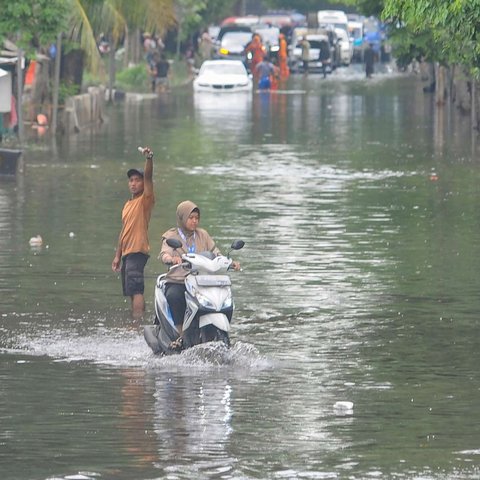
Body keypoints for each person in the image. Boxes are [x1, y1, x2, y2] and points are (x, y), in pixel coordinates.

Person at [159, 200, 240, 348]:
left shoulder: (203, 234)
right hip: (179, 280)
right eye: (191, 218)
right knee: (175, 296)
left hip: (202, 281)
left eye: (197, 218)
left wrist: (229, 262)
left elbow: (216, 253)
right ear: (182, 218)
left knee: (222, 300)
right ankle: (180, 334)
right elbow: (165, 253)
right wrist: (171, 259)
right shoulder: (171, 235)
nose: (194, 221)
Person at [112, 147, 155, 320]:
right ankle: (137, 319)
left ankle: (137, 324)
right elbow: (123, 231)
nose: (133, 183)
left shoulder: (145, 200)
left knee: (136, 289)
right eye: (131, 180)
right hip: (127, 253)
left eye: (138, 180)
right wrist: (117, 255)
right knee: (130, 290)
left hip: (138, 251)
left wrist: (149, 158)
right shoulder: (128, 204)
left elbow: (149, 177)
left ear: (143, 184)